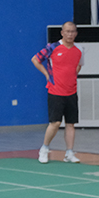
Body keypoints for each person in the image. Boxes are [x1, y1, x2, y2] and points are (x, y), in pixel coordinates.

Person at [31, 21, 83, 164]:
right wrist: (47, 75)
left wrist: (71, 78)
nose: (70, 34)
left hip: (71, 91)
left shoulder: (79, 50)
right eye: (67, 31)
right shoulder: (52, 47)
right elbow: (35, 59)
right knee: (55, 122)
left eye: (73, 31)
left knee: (71, 124)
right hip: (55, 91)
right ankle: (44, 149)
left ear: (76, 33)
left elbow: (78, 66)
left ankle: (69, 153)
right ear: (62, 33)